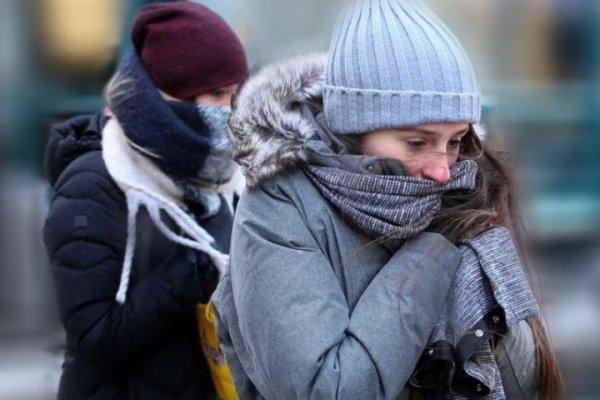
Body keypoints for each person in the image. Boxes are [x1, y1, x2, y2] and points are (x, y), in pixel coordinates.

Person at [212, 0, 564, 399]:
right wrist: (431, 253)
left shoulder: (459, 192)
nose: (442, 170)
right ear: (354, 126)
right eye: (417, 142)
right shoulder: (279, 208)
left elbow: (525, 380)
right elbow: (328, 390)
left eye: (454, 141)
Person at [43, 2, 247, 399]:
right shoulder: (93, 185)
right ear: (169, 97)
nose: (230, 111)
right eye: (218, 94)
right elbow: (96, 335)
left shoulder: (221, 178)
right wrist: (196, 271)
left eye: (235, 94)